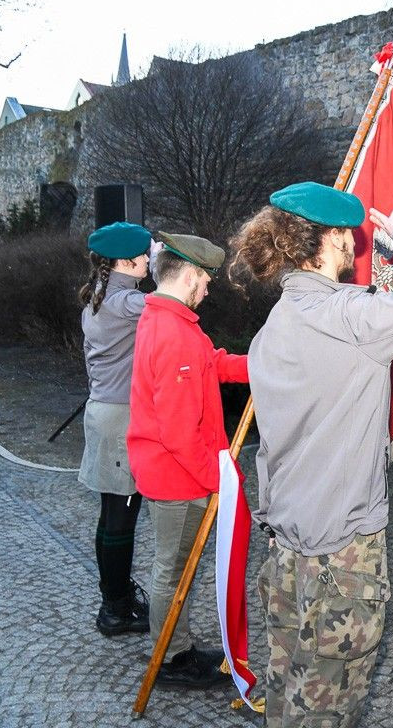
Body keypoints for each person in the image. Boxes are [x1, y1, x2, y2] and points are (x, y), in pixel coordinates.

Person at [229, 182, 393, 727]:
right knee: (328, 704)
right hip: (341, 553)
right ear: (330, 239)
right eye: (347, 236)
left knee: (288, 691)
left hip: (285, 546)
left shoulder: (271, 329)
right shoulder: (351, 319)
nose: (353, 246)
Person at [127, 231, 249, 689]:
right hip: (179, 477)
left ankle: (175, 645)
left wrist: (258, 365)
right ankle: (172, 660)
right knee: (171, 570)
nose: (209, 288)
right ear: (193, 274)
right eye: (207, 279)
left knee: (175, 568)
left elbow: (211, 364)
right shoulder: (173, 331)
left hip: (178, 472)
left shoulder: (170, 320)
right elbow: (178, 433)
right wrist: (215, 480)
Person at [78, 222, 153, 636]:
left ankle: (116, 596)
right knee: (122, 516)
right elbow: (178, 306)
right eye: (145, 254)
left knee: (112, 513)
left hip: (104, 412)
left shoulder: (100, 294)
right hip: (120, 417)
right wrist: (168, 269)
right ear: (127, 260)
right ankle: (115, 608)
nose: (149, 259)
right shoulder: (126, 300)